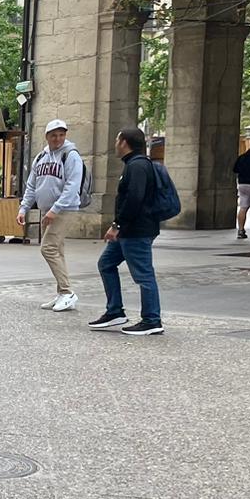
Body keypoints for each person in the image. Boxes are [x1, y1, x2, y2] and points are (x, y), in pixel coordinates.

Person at [89, 127, 164, 336]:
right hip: (130, 230)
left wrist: (117, 225)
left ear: (123, 142)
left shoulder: (138, 166)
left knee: (143, 274)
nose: (114, 144)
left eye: (116, 139)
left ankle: (152, 319)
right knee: (106, 263)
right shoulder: (134, 164)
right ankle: (115, 311)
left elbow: (134, 198)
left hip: (136, 230)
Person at [17, 118, 85, 312]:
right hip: (48, 210)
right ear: (47, 136)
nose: (58, 138)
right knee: (57, 251)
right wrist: (24, 208)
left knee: (47, 248)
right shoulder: (40, 158)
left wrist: (56, 209)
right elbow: (32, 185)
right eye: (54, 135)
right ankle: (62, 293)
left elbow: (72, 185)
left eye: (61, 134)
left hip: (64, 209)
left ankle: (67, 292)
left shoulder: (71, 155)